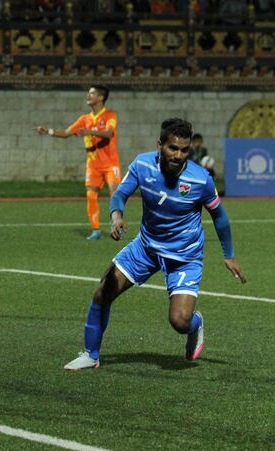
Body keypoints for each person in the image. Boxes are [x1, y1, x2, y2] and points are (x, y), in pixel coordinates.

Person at [63, 118, 247, 371]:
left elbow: (220, 217)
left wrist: (229, 255)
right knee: (103, 293)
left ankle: (195, 324)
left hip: (184, 256)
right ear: (160, 145)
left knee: (179, 322)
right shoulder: (142, 164)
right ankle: (91, 354)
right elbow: (120, 194)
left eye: (184, 150)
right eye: (173, 148)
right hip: (146, 249)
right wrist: (116, 216)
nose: (179, 155)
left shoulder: (200, 179)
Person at [36, 85, 120, 240]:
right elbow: (67, 133)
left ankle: (116, 225)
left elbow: (109, 133)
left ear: (101, 97)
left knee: (115, 194)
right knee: (91, 195)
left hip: (110, 163)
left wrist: (89, 132)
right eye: (88, 93)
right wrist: (49, 131)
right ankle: (96, 231)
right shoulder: (84, 119)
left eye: (92, 93)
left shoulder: (110, 115)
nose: (88, 96)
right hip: (93, 164)